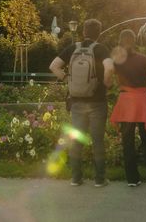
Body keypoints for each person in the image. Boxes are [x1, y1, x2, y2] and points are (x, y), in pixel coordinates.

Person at [49, 18, 111, 187]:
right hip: (97, 101)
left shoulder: (73, 48)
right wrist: (106, 83)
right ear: (98, 33)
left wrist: (67, 78)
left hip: (76, 101)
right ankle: (100, 179)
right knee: (97, 140)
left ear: (84, 32)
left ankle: (76, 178)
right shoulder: (100, 49)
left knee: (76, 140)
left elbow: (53, 66)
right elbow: (110, 67)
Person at [105, 29, 146, 187]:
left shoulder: (116, 61)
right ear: (134, 41)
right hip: (142, 101)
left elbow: (108, 79)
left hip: (126, 102)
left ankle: (132, 179)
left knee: (127, 141)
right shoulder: (142, 58)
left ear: (120, 41)